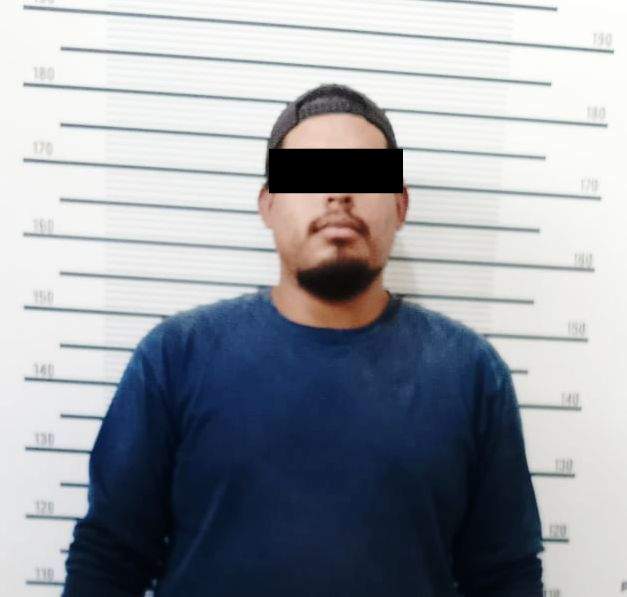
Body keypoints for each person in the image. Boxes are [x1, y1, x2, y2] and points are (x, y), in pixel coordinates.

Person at [62, 83, 545, 597]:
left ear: (400, 205)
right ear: (269, 204)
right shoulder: (175, 358)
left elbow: (504, 577)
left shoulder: (468, 373)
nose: (337, 194)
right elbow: (109, 559)